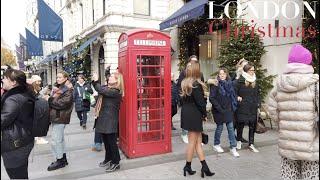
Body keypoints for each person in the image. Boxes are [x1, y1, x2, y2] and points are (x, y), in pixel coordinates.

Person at [268, 44, 319, 179]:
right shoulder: (315, 83)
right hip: (311, 145)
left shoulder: (279, 84)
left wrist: (284, 124)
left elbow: (272, 111)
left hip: (287, 144)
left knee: (289, 177)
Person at [181, 63, 214, 178]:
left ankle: (202, 167)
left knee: (197, 142)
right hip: (195, 115)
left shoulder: (184, 83)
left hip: (187, 114)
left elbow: (182, 101)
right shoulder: (196, 84)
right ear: (196, 72)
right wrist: (205, 115)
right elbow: (200, 103)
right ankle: (189, 166)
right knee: (193, 142)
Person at [1, 68, 35, 179]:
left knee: (16, 176)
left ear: (13, 82)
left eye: (5, 78)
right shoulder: (24, 94)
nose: (3, 80)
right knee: (21, 174)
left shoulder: (12, 99)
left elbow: (3, 120)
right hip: (24, 140)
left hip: (14, 145)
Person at [43, 71, 74, 171]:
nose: (58, 79)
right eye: (57, 77)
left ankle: (59, 160)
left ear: (66, 78)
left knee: (55, 141)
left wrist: (49, 99)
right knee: (60, 139)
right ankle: (63, 159)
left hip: (60, 117)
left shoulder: (68, 89)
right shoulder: (59, 88)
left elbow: (63, 103)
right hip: (57, 117)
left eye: (60, 77)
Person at [92, 72, 122, 172]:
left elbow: (99, 89)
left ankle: (116, 162)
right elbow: (100, 88)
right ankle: (108, 159)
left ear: (117, 81)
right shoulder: (107, 88)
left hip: (110, 120)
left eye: (112, 77)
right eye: (110, 76)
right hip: (103, 118)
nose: (110, 78)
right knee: (106, 142)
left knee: (112, 143)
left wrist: (96, 80)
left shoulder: (115, 91)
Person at [208, 68, 239, 157]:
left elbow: (232, 96)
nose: (222, 75)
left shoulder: (229, 84)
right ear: (218, 75)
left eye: (224, 74)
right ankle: (216, 144)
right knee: (220, 128)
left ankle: (233, 147)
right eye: (220, 74)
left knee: (230, 128)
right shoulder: (215, 84)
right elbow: (212, 98)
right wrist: (219, 108)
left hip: (228, 110)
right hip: (219, 111)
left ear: (226, 75)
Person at [177, 55, 205, 144]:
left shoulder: (200, 74)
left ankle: (197, 138)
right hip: (188, 101)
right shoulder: (184, 73)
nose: (194, 63)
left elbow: (202, 85)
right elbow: (179, 87)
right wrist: (182, 100)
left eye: (195, 61)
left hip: (195, 104)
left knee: (195, 126)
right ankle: (185, 134)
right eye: (192, 61)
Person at [235, 63, 260, 152]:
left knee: (252, 126)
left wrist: (258, 105)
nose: (253, 72)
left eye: (253, 70)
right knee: (240, 125)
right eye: (251, 70)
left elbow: (257, 94)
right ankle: (238, 141)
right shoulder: (240, 81)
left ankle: (251, 144)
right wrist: (237, 97)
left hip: (252, 107)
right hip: (242, 107)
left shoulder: (255, 81)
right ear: (246, 71)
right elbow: (234, 92)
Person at [28, 75, 49, 145]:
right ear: (34, 81)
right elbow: (33, 97)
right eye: (38, 81)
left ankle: (37, 137)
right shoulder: (31, 88)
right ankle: (38, 138)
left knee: (38, 122)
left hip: (37, 107)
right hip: (35, 107)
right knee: (38, 122)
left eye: (40, 81)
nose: (39, 82)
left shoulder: (36, 87)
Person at [232, 58, 249, 143]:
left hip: (245, 101)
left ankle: (239, 137)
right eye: (244, 65)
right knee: (235, 121)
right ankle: (232, 136)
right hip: (237, 101)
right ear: (240, 65)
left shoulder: (248, 74)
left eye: (246, 65)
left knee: (241, 121)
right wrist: (236, 96)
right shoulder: (236, 74)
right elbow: (232, 86)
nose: (245, 66)